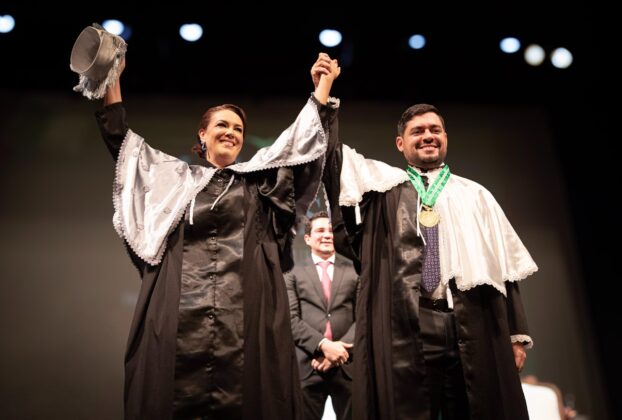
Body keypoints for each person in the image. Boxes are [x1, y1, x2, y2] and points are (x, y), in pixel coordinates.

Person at [93, 52, 341, 419]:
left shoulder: (259, 184)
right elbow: (123, 145)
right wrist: (112, 79)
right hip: (177, 315)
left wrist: (322, 88)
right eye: (223, 125)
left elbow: (298, 148)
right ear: (203, 134)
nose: (231, 133)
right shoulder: (173, 181)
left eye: (238, 129)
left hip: (247, 319)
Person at [321, 103, 538, 419]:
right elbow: (334, 165)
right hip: (411, 323)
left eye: (435, 130)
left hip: (471, 320)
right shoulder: (384, 191)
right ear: (401, 143)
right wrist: (325, 106)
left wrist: (515, 336)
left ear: (445, 138)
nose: (427, 136)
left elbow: (504, 268)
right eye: (417, 131)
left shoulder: (476, 195)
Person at [285, 211, 359, 420]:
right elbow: (290, 319)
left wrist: (338, 351)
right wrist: (324, 346)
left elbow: (363, 317)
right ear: (308, 239)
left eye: (331, 230)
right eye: (320, 230)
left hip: (347, 365)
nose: (327, 235)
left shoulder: (355, 270)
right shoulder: (292, 273)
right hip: (309, 365)